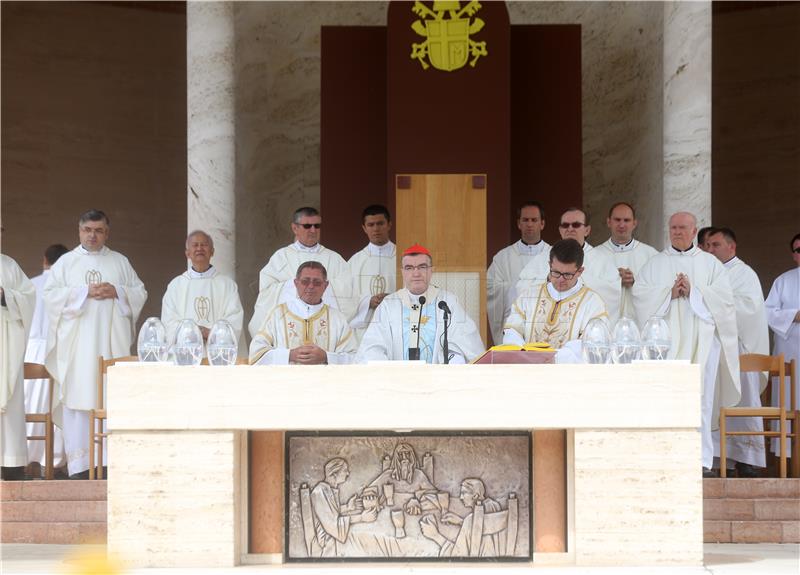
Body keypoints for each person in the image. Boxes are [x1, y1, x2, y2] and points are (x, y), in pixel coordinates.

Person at [633, 212, 739, 477]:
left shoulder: (711, 264)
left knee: (701, 398)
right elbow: (640, 298)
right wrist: (668, 293)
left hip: (702, 339)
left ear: (694, 232)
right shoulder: (654, 263)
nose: (677, 232)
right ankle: (666, 457)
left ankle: (702, 461)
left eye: (683, 228)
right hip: (665, 342)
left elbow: (726, 302)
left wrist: (694, 292)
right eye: (673, 228)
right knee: (665, 398)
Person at [43, 210, 147, 479]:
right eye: (87, 230)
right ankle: (80, 467)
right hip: (77, 350)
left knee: (109, 397)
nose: (92, 235)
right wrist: (84, 292)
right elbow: (50, 297)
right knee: (79, 398)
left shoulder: (120, 262)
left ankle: (111, 464)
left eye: (98, 230)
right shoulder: (66, 263)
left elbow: (139, 292)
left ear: (107, 233)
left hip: (110, 347)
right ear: (79, 231)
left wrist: (118, 292)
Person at [707, 228, 770, 477]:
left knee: (743, 402)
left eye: (716, 245)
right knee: (714, 404)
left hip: (740, 352)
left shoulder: (744, 274)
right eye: (708, 245)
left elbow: (750, 309)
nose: (710, 250)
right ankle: (715, 457)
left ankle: (747, 459)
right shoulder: (709, 273)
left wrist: (718, 304)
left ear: (731, 247)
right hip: (715, 350)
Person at [356, 244, 484, 364]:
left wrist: (452, 356)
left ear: (431, 270)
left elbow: (466, 343)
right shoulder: (389, 305)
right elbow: (372, 346)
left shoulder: (447, 302)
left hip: (438, 380)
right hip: (397, 381)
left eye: (422, 267)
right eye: (409, 268)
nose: (416, 273)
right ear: (402, 272)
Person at [249, 207, 352, 338]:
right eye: (307, 226)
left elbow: (348, 294)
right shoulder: (281, 257)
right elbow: (267, 292)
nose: (313, 230)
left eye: (317, 226)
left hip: (325, 329)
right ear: (295, 228)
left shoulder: (334, 259)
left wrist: (320, 287)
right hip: (290, 329)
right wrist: (294, 286)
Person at [503, 239, 608, 352]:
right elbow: (512, 331)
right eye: (556, 272)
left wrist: (554, 357)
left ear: (580, 271)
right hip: (529, 367)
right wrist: (522, 352)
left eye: (567, 274)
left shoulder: (593, 304)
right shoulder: (529, 296)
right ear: (549, 265)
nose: (560, 280)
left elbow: (591, 344)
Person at [249, 262, 357, 365]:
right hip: (286, 382)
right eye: (305, 281)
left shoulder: (337, 319)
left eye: (317, 282)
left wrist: (326, 357)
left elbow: (354, 358)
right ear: (296, 283)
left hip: (325, 382)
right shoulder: (278, 314)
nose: (310, 286)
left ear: (326, 285)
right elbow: (256, 354)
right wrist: (289, 355)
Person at [24, 244, 69, 476]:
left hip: (28, 352)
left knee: (28, 405)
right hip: (56, 351)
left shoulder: (29, 285)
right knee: (54, 405)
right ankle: (53, 461)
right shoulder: (64, 288)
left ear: (45, 260)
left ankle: (25, 459)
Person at [161, 231, 244, 352]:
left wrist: (211, 333)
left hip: (218, 354)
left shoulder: (227, 285)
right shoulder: (175, 286)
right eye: (195, 245)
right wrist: (191, 332)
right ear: (187, 253)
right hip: (186, 353)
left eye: (204, 245)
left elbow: (234, 319)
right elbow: (168, 323)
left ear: (212, 251)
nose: (199, 248)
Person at [486, 202, 549, 345]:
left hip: (544, 323)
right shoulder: (503, 257)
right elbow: (489, 287)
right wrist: (515, 288)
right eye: (525, 220)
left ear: (542, 224)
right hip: (513, 324)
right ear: (519, 224)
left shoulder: (553, 255)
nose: (529, 224)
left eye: (534, 220)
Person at [588, 202, 658, 323]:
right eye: (617, 220)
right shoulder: (594, 255)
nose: (622, 224)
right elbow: (589, 290)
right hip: (607, 323)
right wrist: (614, 280)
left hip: (639, 323)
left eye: (626, 220)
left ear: (634, 223)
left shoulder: (651, 255)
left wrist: (635, 282)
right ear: (609, 222)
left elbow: (658, 292)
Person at [1, 254, 36, 480]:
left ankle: (11, 464)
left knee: (10, 401)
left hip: (6, 344)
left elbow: (29, 298)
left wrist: (6, 296)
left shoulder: (9, 265)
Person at [764, 232, 800, 460]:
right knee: (790, 401)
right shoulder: (783, 281)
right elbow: (766, 312)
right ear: (793, 255)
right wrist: (793, 316)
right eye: (798, 250)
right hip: (790, 352)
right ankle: (788, 458)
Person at [514, 208, 597, 299]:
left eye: (576, 225)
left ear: (587, 230)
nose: (570, 229)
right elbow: (522, 287)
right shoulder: (542, 257)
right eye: (565, 225)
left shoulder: (599, 259)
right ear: (560, 230)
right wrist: (548, 280)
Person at [309, 457, 377, 557]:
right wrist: (361, 518)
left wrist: (347, 507)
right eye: (345, 470)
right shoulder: (319, 492)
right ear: (334, 474)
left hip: (333, 536)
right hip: (328, 542)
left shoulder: (328, 489)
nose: (348, 473)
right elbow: (332, 525)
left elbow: (329, 512)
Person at [347, 205, 396, 341]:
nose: (376, 229)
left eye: (380, 223)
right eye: (371, 224)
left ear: (389, 225)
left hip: (395, 325)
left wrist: (392, 299)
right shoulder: (355, 262)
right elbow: (345, 298)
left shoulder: (403, 259)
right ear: (364, 228)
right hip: (365, 330)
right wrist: (368, 301)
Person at [420, 478, 503, 558]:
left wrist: (435, 535)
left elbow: (457, 556)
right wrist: (461, 521)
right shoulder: (494, 506)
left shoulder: (470, 519)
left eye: (464, 493)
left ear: (475, 496)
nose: (461, 497)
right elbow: (481, 527)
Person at [366, 442, 437, 515]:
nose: (404, 458)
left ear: (412, 457)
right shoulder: (387, 475)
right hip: (391, 514)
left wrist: (418, 501)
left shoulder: (419, 475)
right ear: (396, 458)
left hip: (413, 515)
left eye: (407, 454)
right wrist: (370, 495)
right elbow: (370, 490)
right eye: (400, 455)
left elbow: (434, 495)